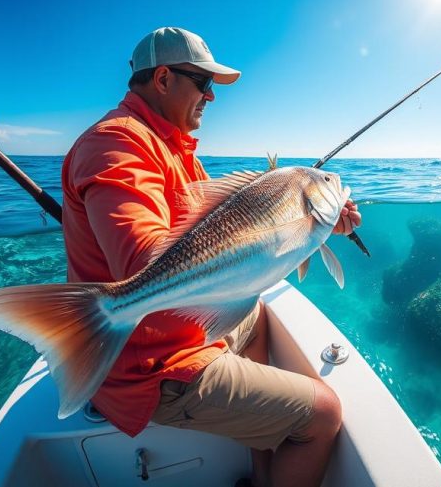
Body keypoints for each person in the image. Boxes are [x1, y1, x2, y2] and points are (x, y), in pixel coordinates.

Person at [60, 27, 362, 487]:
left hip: (172, 333)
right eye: (203, 84)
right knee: (324, 415)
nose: (211, 97)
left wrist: (316, 228)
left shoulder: (174, 148)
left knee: (256, 314)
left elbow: (221, 231)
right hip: (152, 367)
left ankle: (261, 473)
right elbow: (143, 266)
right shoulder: (116, 143)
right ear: (162, 79)